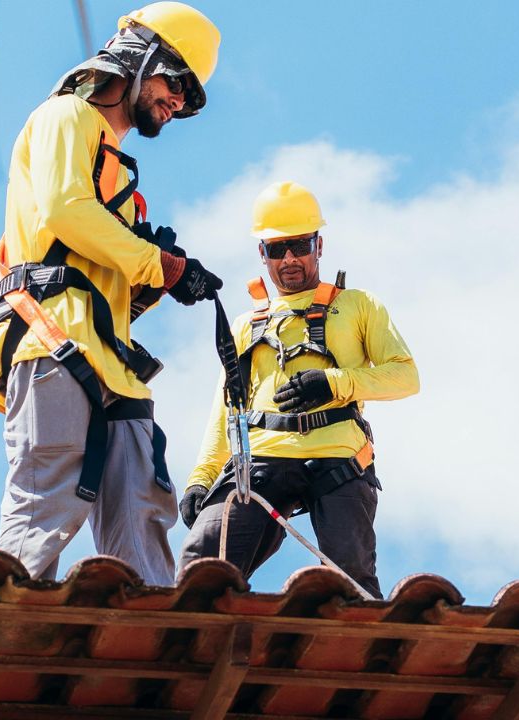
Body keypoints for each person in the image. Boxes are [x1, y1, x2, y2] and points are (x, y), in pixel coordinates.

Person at [0, 2, 224, 585]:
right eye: (176, 84)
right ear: (140, 59)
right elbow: (65, 211)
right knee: (47, 499)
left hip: (112, 360)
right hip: (52, 338)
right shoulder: (65, 115)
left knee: (142, 508)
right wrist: (155, 262)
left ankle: (150, 634)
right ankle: (5, 619)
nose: (178, 103)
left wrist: (159, 279)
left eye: (189, 99)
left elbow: (107, 278)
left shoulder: (120, 183)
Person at [176, 181, 419, 598]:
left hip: (339, 459)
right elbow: (227, 410)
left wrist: (334, 383)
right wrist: (202, 478)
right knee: (202, 563)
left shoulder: (358, 306)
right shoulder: (247, 325)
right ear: (263, 254)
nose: (289, 258)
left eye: (299, 245)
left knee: (350, 584)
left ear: (318, 245)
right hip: (261, 458)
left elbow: (405, 376)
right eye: (277, 248)